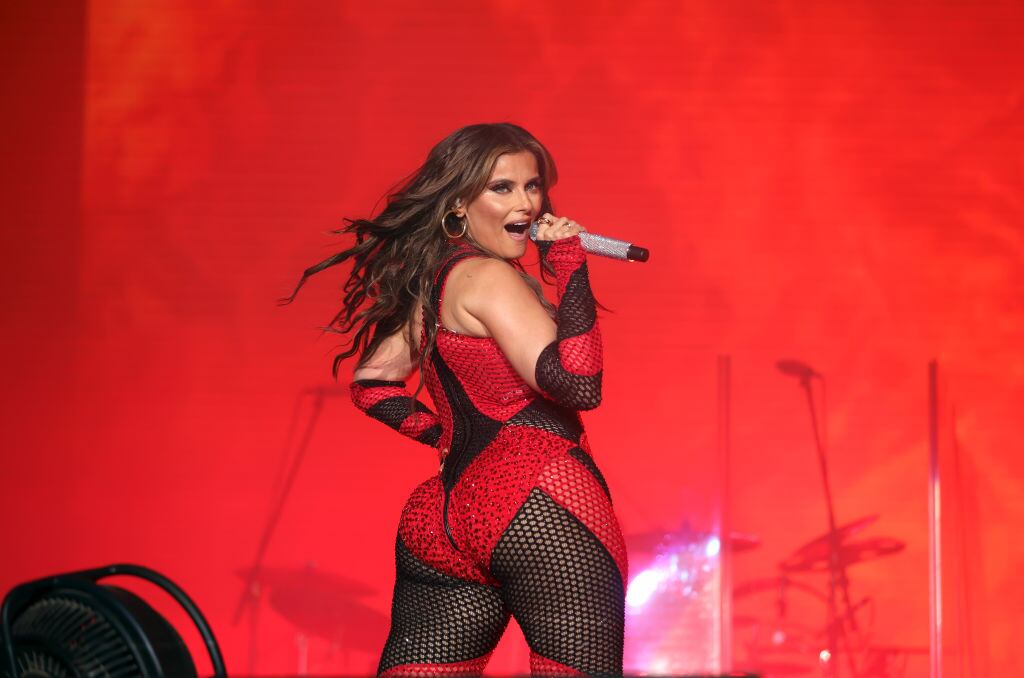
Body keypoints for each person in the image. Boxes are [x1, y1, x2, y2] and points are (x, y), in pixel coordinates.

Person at [286, 123, 627, 676]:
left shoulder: (434, 284)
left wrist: (442, 437)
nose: (527, 203)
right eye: (502, 188)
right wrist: (571, 268)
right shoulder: (491, 278)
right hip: (539, 503)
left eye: (533, 186)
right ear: (459, 204)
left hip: (441, 516)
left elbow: (372, 383)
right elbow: (577, 383)